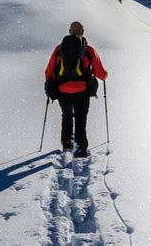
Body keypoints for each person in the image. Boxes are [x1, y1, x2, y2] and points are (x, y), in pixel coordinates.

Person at [45, 21, 108, 157]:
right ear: (83, 32)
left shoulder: (59, 49)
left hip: (62, 91)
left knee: (66, 115)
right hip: (82, 91)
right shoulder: (89, 50)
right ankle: (80, 148)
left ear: (69, 31)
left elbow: (48, 72)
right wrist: (105, 75)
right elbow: (101, 74)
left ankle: (67, 144)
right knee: (80, 118)